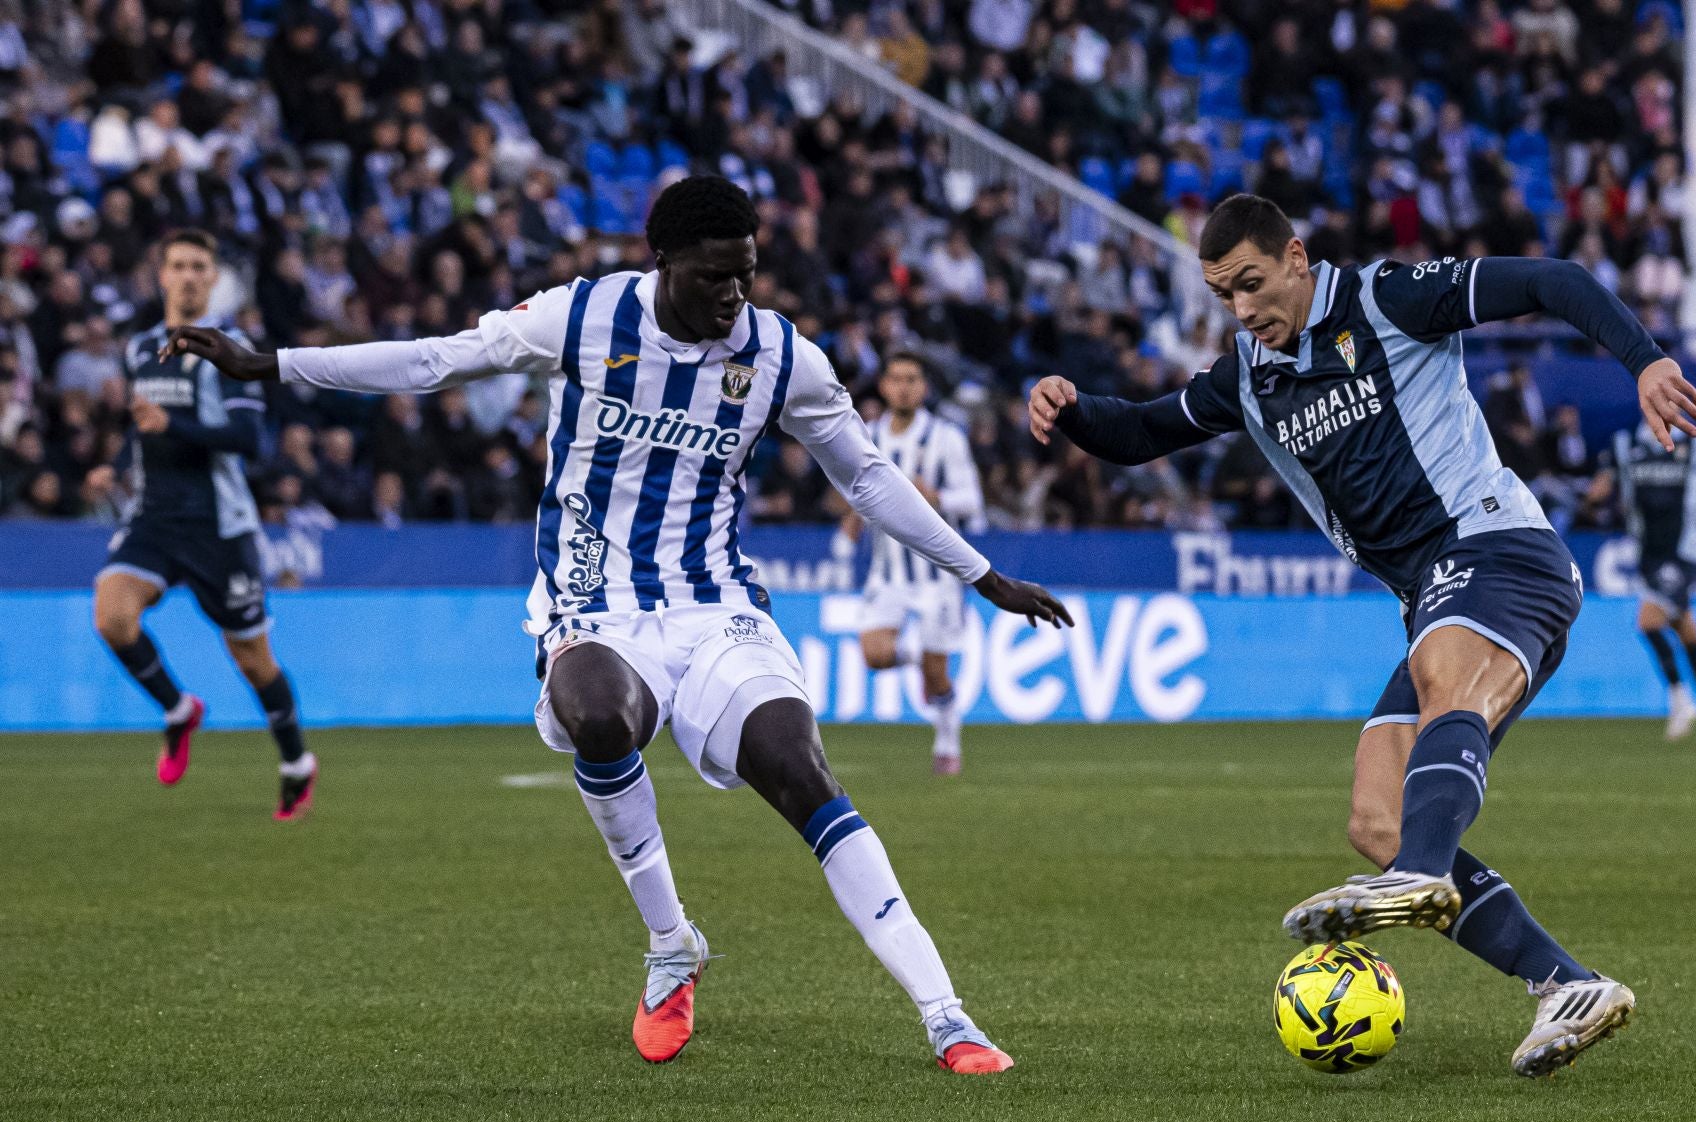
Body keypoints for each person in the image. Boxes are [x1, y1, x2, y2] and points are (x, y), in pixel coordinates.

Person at [169, 177, 1071, 1074]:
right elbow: (435, 359)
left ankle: (947, 1017)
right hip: (594, 598)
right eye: (716, 276)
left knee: (800, 771)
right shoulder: (581, 317)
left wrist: (982, 575)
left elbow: (868, 476)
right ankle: (672, 944)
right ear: (663, 261)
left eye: (748, 274)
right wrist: (276, 365)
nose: (735, 294)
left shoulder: (784, 357)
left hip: (715, 603)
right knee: (598, 712)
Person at [1028, 194, 1696, 1078]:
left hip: (1498, 548)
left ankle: (1420, 875)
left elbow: (1553, 279)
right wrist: (1071, 409)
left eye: (1252, 284)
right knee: (1377, 816)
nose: (1241, 309)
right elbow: (1144, 431)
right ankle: (1565, 985)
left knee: (1441, 678)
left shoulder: (1388, 300)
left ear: (1297, 259)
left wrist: (1644, 362)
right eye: (1223, 294)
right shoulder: (1249, 374)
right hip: (1433, 593)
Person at [92, 229, 317, 821]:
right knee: (112, 616)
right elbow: (145, 430)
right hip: (155, 518)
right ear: (160, 276)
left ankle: (296, 762)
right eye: (178, 266)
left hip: (221, 526)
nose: (189, 275)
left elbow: (249, 440)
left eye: (200, 266)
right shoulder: (140, 348)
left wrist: (172, 426)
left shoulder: (231, 347)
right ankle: (176, 710)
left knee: (252, 660)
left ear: (213, 279)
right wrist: (113, 467)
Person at [842, 351, 983, 775]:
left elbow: (973, 501)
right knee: (875, 653)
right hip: (888, 574)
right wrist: (852, 518)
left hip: (937, 576)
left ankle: (946, 738)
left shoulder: (946, 438)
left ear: (924, 387)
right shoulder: (866, 436)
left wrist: (935, 497)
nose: (904, 386)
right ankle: (919, 660)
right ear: (884, 386)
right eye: (897, 378)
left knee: (938, 678)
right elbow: (858, 489)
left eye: (913, 379)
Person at [1585, 423, 1696, 748]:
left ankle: (1680, 699)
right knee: (1685, 628)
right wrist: (1595, 496)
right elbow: (1601, 486)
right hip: (1648, 554)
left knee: (1648, 621)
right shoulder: (1624, 443)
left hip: (1685, 551)